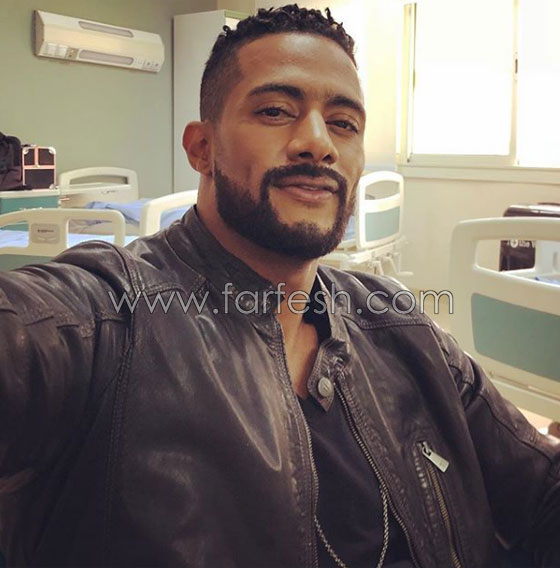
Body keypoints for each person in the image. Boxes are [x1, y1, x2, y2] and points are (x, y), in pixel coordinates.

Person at [0, 4, 558, 567]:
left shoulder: (404, 328)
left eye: (343, 123)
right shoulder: (105, 319)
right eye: (274, 111)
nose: (318, 143)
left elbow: (542, 492)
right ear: (201, 149)